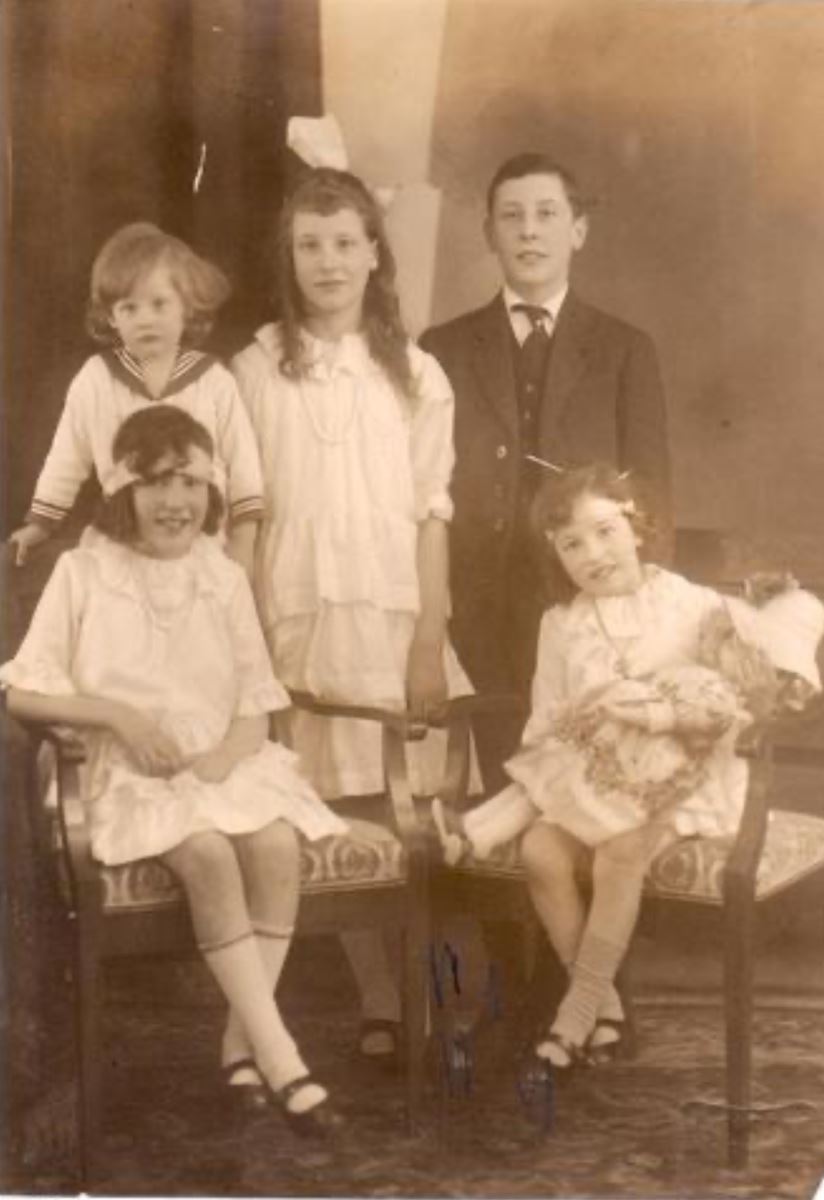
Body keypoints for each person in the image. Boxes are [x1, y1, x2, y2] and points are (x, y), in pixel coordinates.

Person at [0, 406, 347, 1135]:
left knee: (275, 844)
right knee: (208, 853)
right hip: (125, 773)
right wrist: (121, 717)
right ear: (123, 490)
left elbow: (258, 699)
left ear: (212, 491)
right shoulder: (84, 570)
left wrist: (223, 759)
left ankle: (239, 1044)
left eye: (190, 480)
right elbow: (23, 688)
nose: (175, 500)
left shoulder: (219, 576)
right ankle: (283, 1056)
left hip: (220, 761)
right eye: (155, 482)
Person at [433, 463, 823, 1070]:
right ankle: (606, 1003)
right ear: (557, 557)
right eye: (572, 544)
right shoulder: (561, 625)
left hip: (683, 778)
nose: (594, 553)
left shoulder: (691, 604)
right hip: (595, 778)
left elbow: (750, 683)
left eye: (606, 531)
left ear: (638, 528)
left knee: (621, 845)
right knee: (541, 849)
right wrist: (578, 740)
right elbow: (546, 716)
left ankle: (577, 1009)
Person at [231, 167, 475, 1062]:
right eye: (310, 245)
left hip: (394, 611)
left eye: (344, 242)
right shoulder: (252, 370)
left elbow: (432, 510)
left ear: (375, 253)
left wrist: (427, 639)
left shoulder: (415, 373)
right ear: (288, 259)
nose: (328, 262)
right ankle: (381, 1002)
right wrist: (247, 645)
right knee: (330, 807)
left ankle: (435, 999)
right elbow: (243, 520)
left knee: (416, 814)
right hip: (295, 613)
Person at [420, 153, 672, 786]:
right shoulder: (442, 348)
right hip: (479, 602)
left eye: (546, 214)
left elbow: (650, 488)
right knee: (499, 783)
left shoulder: (624, 349)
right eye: (512, 216)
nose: (529, 231)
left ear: (577, 231)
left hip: (584, 598)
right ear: (489, 234)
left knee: (590, 780)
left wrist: (640, 611)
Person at [9, 222, 263, 577]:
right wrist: (41, 524)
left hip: (200, 546)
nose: (146, 320)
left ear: (187, 307)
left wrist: (243, 542)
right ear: (111, 317)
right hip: (123, 544)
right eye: (130, 308)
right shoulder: (96, 379)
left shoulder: (214, 381)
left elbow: (244, 466)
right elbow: (67, 456)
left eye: (159, 304)